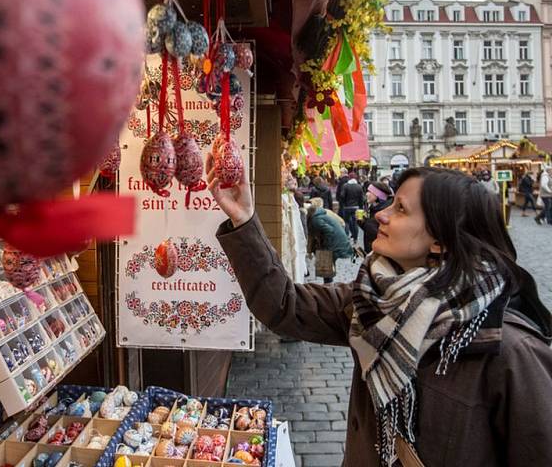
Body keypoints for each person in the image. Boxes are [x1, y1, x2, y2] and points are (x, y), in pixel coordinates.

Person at [207, 161, 552, 466]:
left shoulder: (509, 351)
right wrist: (244, 219)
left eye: (400, 209)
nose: (380, 214)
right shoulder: (372, 301)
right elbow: (284, 305)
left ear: (440, 241)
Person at [305, 198, 353, 283]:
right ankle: (328, 286)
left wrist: (325, 246)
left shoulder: (315, 219)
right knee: (325, 266)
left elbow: (329, 231)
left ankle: (328, 287)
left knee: (325, 264)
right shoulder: (319, 215)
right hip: (336, 241)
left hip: (333, 243)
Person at [359, 181, 392, 254]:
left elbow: (378, 233)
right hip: (372, 251)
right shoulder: (375, 207)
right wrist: (361, 222)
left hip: (380, 253)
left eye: (370, 191)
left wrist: (365, 223)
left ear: (378, 195)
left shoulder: (385, 210)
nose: (367, 194)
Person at [338, 171, 365, 242]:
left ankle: (346, 237)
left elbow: (342, 196)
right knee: (355, 223)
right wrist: (361, 208)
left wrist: (343, 205)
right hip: (356, 207)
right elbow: (361, 199)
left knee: (346, 222)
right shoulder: (359, 186)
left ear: (349, 178)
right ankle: (355, 238)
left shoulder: (345, 186)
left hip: (347, 207)